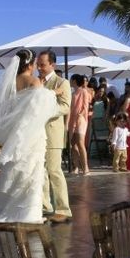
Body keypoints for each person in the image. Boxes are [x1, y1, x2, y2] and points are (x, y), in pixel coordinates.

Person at [0, 49, 58, 223]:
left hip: (15, 133)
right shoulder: (34, 81)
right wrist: (53, 94)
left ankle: (8, 211)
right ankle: (28, 215)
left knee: (16, 171)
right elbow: (38, 110)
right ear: (31, 65)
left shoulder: (11, 83)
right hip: (32, 135)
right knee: (31, 174)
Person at [37, 50, 72, 224]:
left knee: (54, 171)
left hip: (52, 133)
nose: (39, 68)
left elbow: (65, 107)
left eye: (42, 64)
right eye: (38, 64)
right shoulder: (37, 82)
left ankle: (63, 209)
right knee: (41, 172)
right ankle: (45, 206)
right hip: (37, 133)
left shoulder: (62, 83)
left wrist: (46, 111)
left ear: (52, 64)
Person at [68, 74, 92, 176]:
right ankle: (76, 167)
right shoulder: (73, 93)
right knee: (73, 144)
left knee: (80, 143)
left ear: (74, 80)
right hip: (72, 120)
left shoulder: (83, 91)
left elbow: (85, 107)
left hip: (81, 120)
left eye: (71, 79)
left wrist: (80, 115)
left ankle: (85, 168)